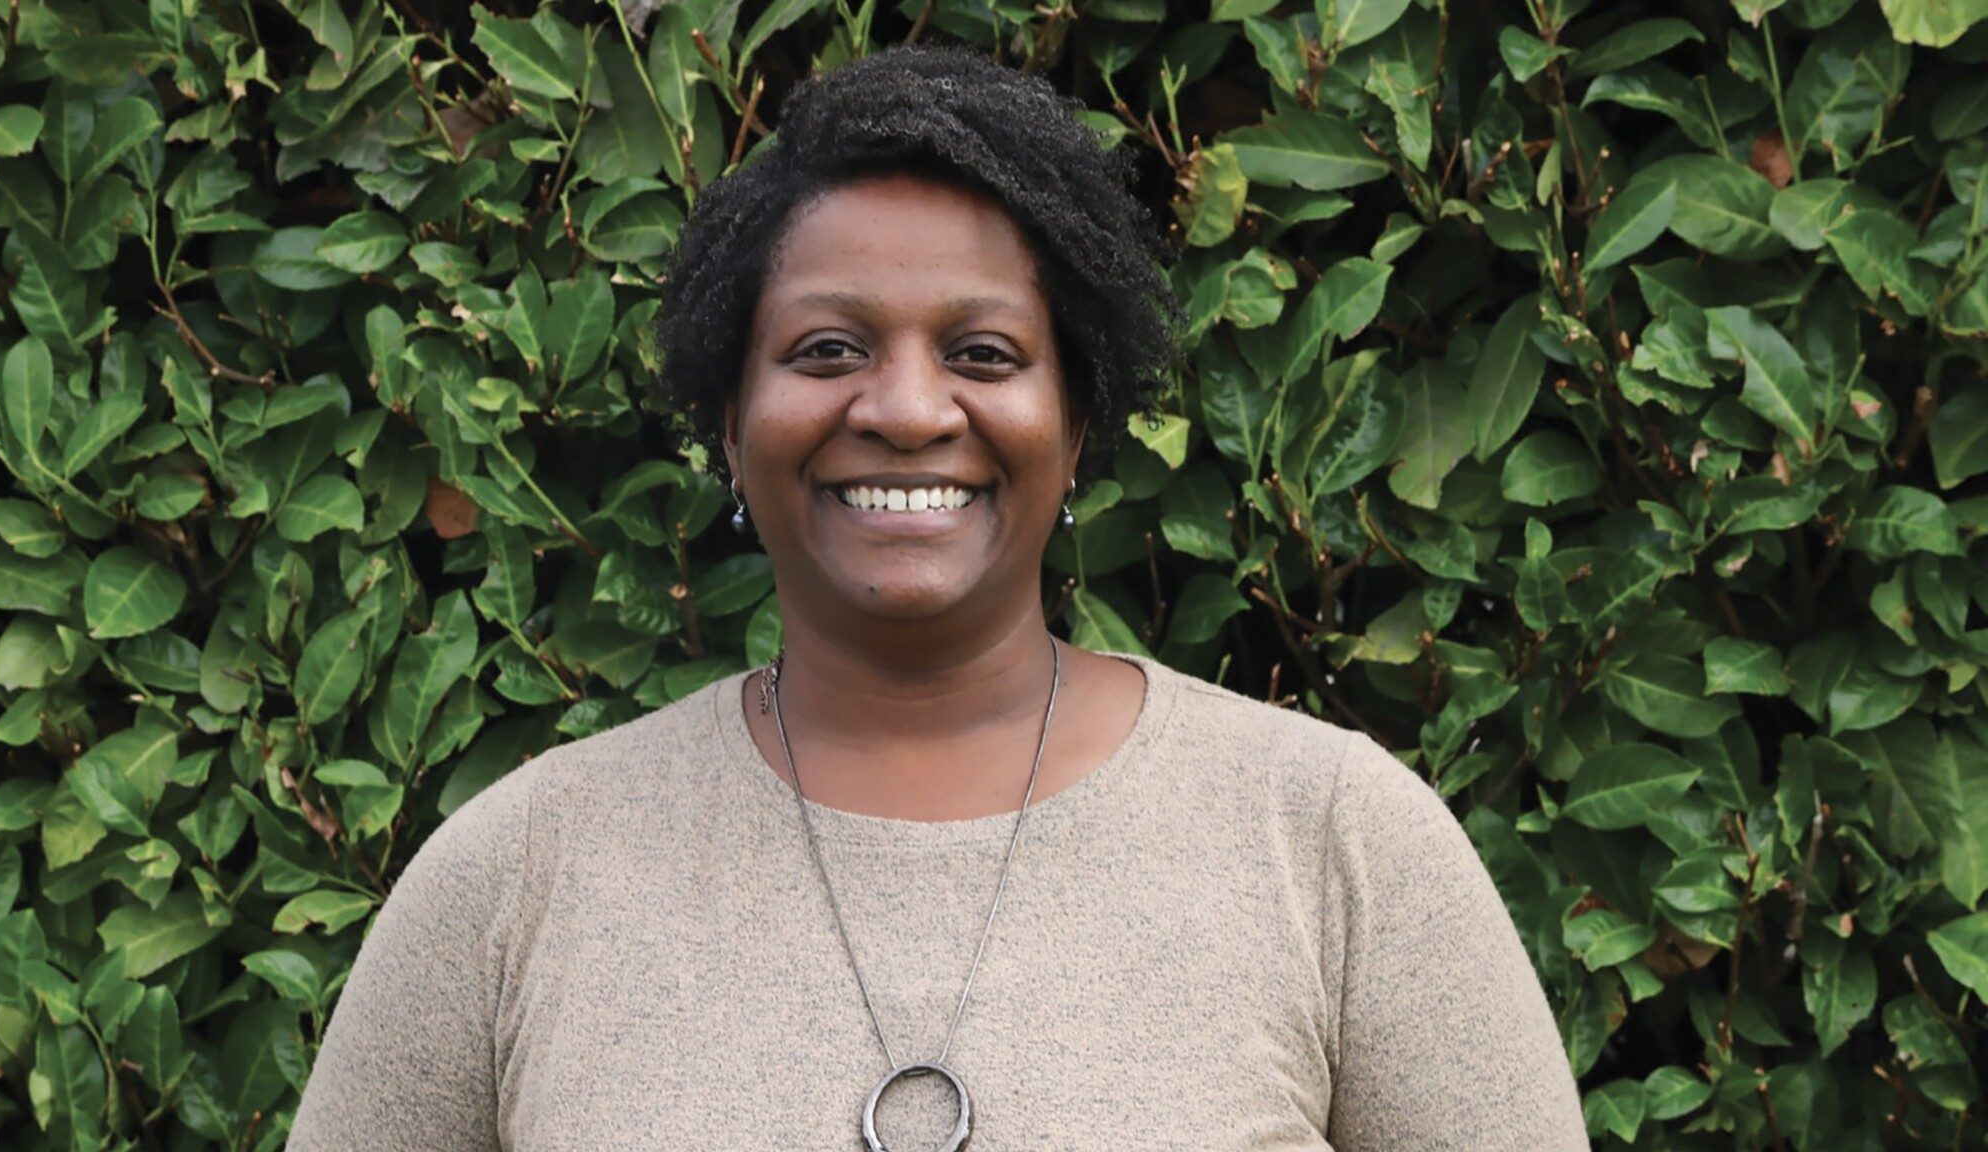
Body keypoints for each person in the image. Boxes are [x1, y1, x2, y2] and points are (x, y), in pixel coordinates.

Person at [286, 45, 1590, 1152]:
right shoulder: (519, 874)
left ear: (1075, 425)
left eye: (983, 353)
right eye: (827, 349)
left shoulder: (1333, 841)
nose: (907, 410)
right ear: (731, 425)